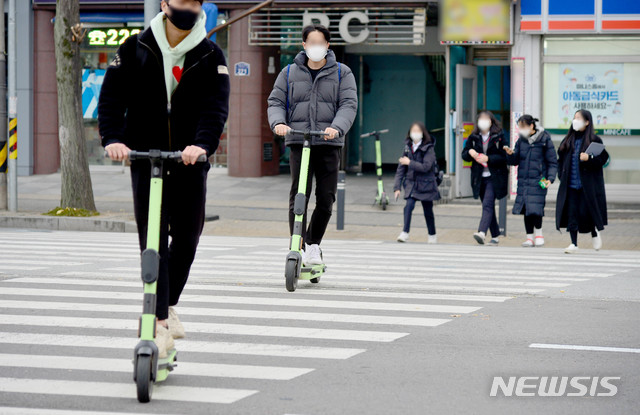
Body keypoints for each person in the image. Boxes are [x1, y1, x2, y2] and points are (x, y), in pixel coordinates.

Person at [98, 0, 230, 357]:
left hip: (188, 162)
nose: (185, 7)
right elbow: (110, 98)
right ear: (164, 4)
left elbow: (215, 108)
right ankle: (157, 323)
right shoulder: (134, 48)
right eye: (179, 1)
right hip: (145, 159)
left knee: (187, 240)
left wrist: (201, 145)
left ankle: (166, 305)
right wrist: (112, 139)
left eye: (192, 2)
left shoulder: (211, 54)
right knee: (152, 242)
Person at [267, 24, 357, 265]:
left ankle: (313, 243)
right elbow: (275, 101)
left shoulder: (342, 72)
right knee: (299, 195)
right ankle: (297, 243)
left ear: (327, 45)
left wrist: (336, 127)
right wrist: (278, 123)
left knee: (326, 197)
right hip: (299, 140)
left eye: (321, 43)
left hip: (329, 142)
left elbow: (348, 104)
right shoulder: (288, 73)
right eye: (311, 42)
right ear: (304, 45)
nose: (316, 47)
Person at [555, 109, 608, 254]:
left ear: (587, 122)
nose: (575, 120)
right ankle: (573, 243)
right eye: (574, 117)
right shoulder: (567, 140)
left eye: (578, 118)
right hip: (570, 185)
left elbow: (603, 159)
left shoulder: (595, 140)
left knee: (587, 212)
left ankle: (594, 231)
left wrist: (589, 158)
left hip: (587, 185)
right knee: (572, 213)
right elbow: (560, 160)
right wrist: (561, 175)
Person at [504, 115, 558, 247]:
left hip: (540, 180)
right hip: (524, 180)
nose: (520, 130)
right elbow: (515, 161)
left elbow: (552, 162)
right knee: (526, 208)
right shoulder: (521, 140)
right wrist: (510, 154)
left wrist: (550, 179)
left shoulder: (544, 139)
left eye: (523, 127)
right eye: (519, 127)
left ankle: (539, 234)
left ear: (531, 126)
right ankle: (529, 237)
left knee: (536, 208)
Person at [461, 111, 509, 245]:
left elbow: (504, 157)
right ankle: (495, 236)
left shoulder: (499, 137)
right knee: (488, 206)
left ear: (491, 121)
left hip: (495, 177)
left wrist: (488, 158)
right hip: (479, 177)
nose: (483, 121)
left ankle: (482, 232)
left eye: (486, 119)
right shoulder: (474, 137)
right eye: (480, 119)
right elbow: (464, 155)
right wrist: (470, 152)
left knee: (488, 204)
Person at [393, 122, 440, 243]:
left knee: (428, 211)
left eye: (418, 131)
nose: (415, 133)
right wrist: (397, 187)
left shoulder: (428, 148)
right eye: (413, 131)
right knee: (408, 206)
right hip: (412, 184)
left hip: (426, 184)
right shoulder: (407, 147)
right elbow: (401, 168)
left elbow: (426, 166)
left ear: (423, 133)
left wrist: (410, 163)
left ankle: (432, 235)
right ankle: (405, 232)